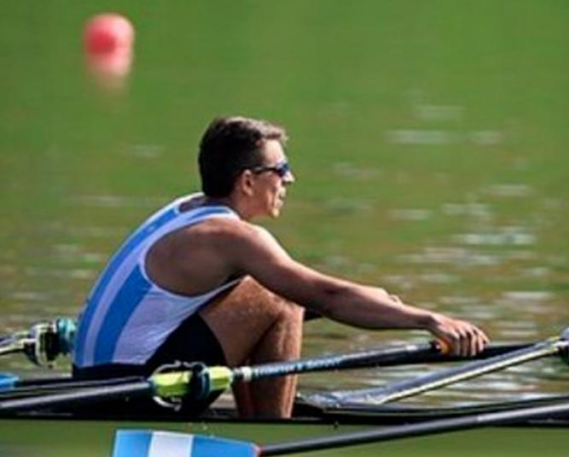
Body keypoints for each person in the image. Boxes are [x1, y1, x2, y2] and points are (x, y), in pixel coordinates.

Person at [72, 116, 489, 418]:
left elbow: (320, 298)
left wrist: (376, 303)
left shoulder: (185, 209)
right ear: (247, 181)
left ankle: (257, 420)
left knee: (273, 296)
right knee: (277, 298)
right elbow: (325, 296)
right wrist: (427, 319)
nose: (290, 179)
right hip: (129, 397)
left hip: (93, 385)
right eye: (281, 170)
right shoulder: (232, 237)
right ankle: (271, 435)